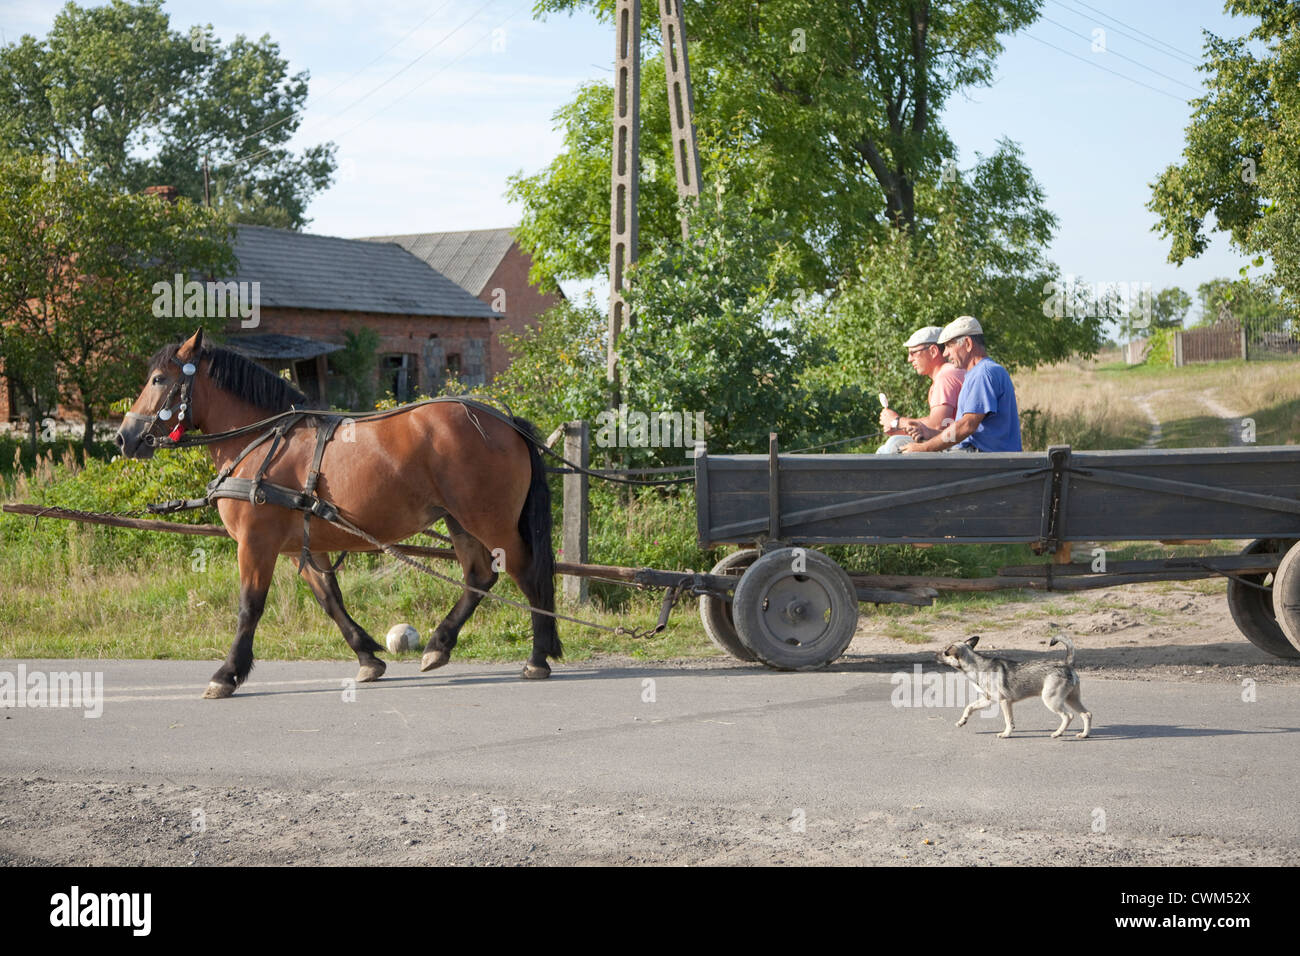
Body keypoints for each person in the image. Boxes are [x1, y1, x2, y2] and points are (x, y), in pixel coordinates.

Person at [902, 315, 1022, 453]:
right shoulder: (976, 373)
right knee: (899, 445)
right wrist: (930, 433)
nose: (945, 353)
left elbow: (967, 426)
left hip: (984, 460)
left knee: (898, 451)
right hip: (974, 454)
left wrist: (923, 448)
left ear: (968, 344)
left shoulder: (983, 373)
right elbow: (967, 435)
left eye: (949, 346)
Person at [876, 326, 966, 454]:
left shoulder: (946, 376)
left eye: (913, 353)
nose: (909, 359)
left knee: (893, 444)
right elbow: (937, 427)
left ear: (933, 351)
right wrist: (900, 428)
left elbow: (937, 425)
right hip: (954, 443)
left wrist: (897, 422)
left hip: (959, 448)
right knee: (886, 447)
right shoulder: (947, 374)